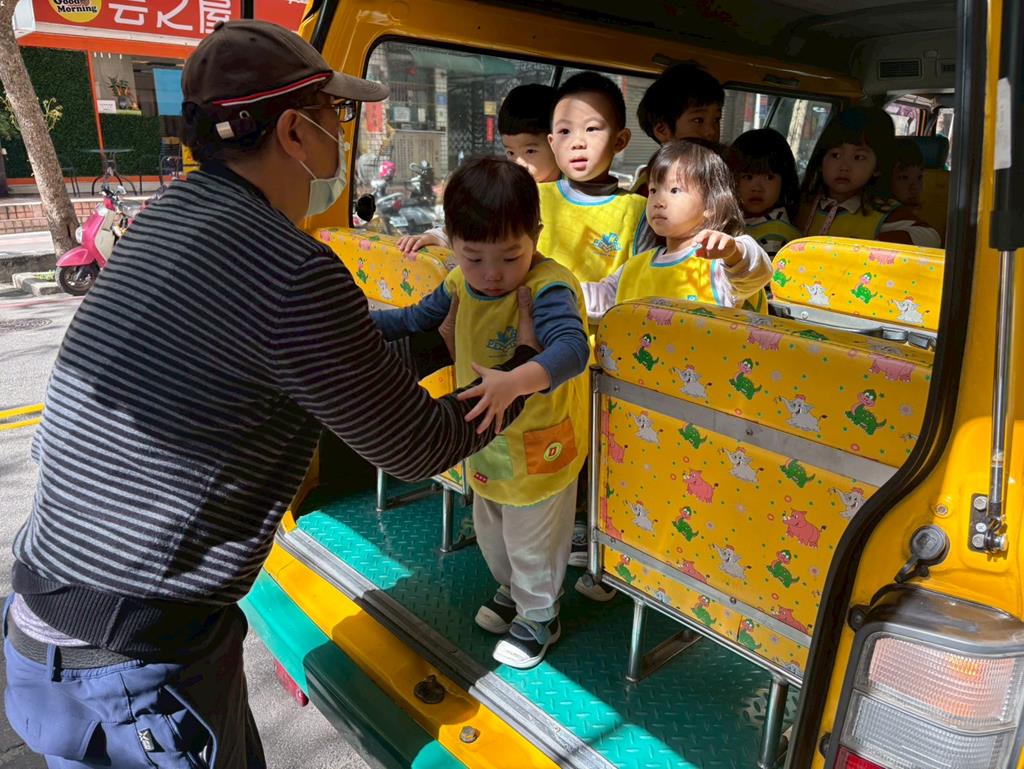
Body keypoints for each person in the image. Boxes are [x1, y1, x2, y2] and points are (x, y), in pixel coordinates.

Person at [3, 21, 544, 768]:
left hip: (51, 632)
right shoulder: (288, 266)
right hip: (132, 669)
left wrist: (433, 343)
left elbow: (313, 362)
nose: (341, 134)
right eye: (335, 114)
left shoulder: (169, 220)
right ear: (294, 131)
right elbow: (418, 445)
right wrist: (528, 366)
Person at [372, 158, 590, 669]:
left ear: (536, 237)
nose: (492, 274)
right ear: (452, 243)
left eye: (511, 257)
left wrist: (515, 381)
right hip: (487, 441)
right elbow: (412, 319)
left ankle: (540, 614)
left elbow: (572, 349)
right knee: (493, 532)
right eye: (473, 258)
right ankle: (513, 590)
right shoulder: (457, 283)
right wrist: (353, 324)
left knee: (533, 539)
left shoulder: (547, 287)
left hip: (539, 446)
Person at [583, 140, 772, 317]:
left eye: (674, 190)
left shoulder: (721, 266)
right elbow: (601, 297)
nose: (658, 201)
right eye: (653, 190)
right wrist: (567, 287)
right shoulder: (635, 267)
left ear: (711, 205)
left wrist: (734, 252)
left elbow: (758, 272)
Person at [396, 83, 558, 255]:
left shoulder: (573, 193)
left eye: (530, 151)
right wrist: (438, 237)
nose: (519, 163)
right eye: (510, 152)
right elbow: (476, 226)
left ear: (555, 142)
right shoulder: (507, 190)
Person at [538, 71, 649, 281]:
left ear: (620, 141)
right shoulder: (533, 198)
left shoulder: (639, 213)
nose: (577, 142)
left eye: (591, 129)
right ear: (552, 143)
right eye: (565, 131)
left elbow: (642, 283)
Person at [799, 107, 941, 247]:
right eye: (835, 155)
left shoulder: (881, 210)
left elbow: (930, 237)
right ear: (821, 161)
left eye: (858, 157)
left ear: (877, 168)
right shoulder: (804, 203)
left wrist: (873, 246)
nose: (844, 167)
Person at [633, 61, 725, 195]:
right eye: (698, 120)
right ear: (662, 130)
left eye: (716, 119)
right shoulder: (650, 188)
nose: (711, 131)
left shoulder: (718, 175)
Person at [730, 128, 802, 259]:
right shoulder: (742, 220)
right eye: (748, 177)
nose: (757, 188)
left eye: (769, 177)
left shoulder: (775, 235)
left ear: (785, 181)